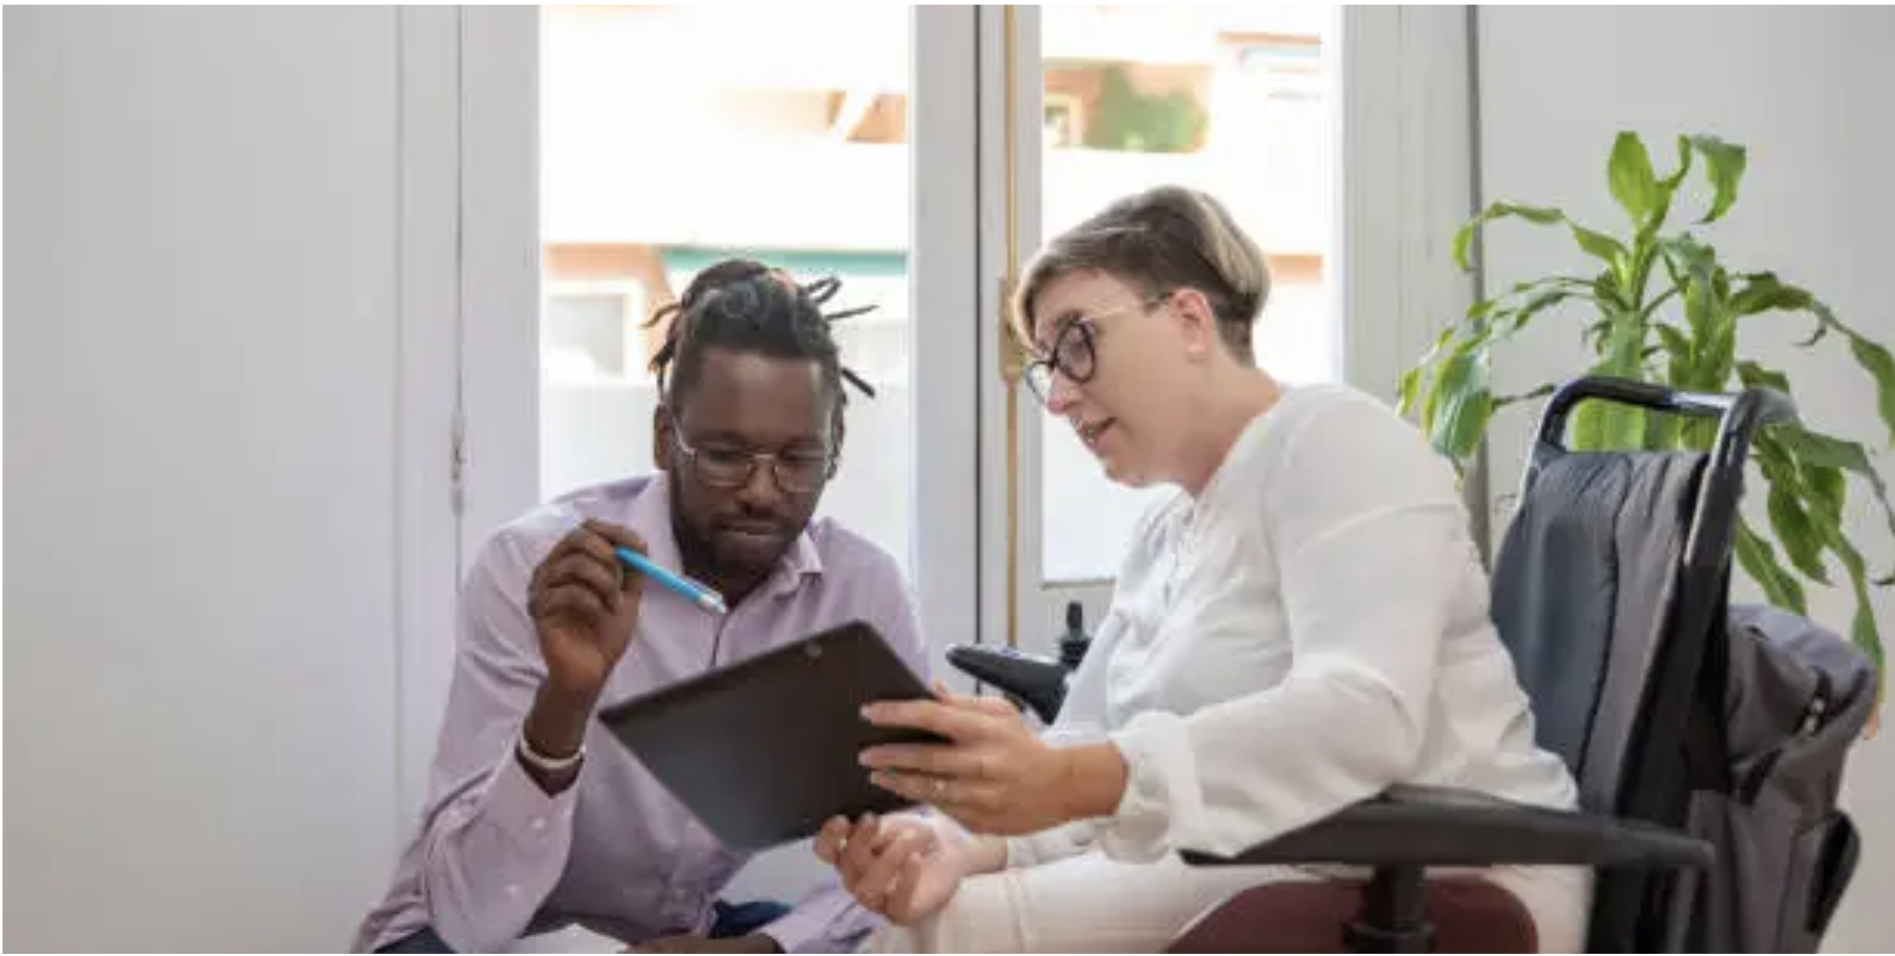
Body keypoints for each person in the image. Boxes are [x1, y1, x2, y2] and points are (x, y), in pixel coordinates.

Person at [811, 186, 1593, 952]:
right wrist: (956, 844)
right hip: (1269, 852)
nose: (1058, 399)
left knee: (949, 934)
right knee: (938, 907)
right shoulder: (1164, 531)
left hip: (1446, 871)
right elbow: (1087, 742)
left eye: (1076, 343)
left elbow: (1365, 716)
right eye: (1049, 365)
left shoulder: (1338, 442)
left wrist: (1074, 779)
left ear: (1188, 320)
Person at [353, 259, 928, 954]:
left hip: (674, 935)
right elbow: (467, 915)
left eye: (798, 459)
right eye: (725, 455)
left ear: (834, 452)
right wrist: (566, 701)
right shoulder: (542, 569)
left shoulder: (860, 593)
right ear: (663, 438)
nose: (762, 492)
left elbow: (914, 840)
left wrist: (760, 951)